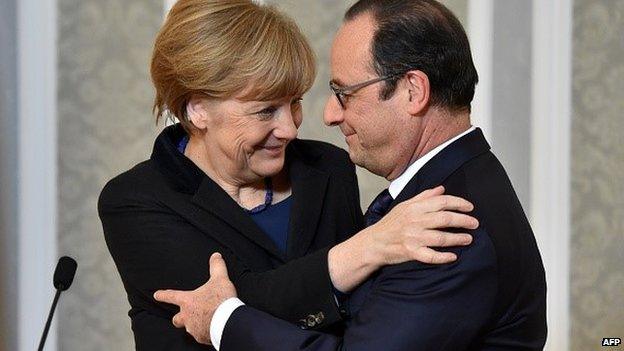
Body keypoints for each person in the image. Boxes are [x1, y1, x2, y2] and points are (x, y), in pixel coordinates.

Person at [154, 0, 548, 350]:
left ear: (413, 91)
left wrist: (224, 320)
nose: (329, 115)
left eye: (346, 93)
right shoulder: (451, 188)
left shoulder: (448, 223)